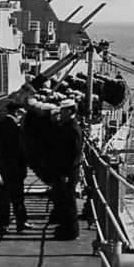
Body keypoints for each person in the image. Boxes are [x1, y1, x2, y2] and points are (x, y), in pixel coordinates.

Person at [0, 102, 33, 234]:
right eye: (20, 113)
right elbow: (22, 152)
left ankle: (1, 225)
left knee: (2, 199)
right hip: (15, 169)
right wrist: (24, 169)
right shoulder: (17, 129)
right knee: (18, 197)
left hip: (3, 168)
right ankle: (21, 222)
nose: (21, 116)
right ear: (16, 113)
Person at [51, 99, 82, 240]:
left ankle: (70, 231)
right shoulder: (67, 126)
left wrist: (66, 173)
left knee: (69, 201)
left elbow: (74, 153)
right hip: (64, 170)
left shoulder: (72, 128)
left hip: (68, 171)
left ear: (69, 111)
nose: (61, 113)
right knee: (64, 200)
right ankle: (64, 227)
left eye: (63, 111)